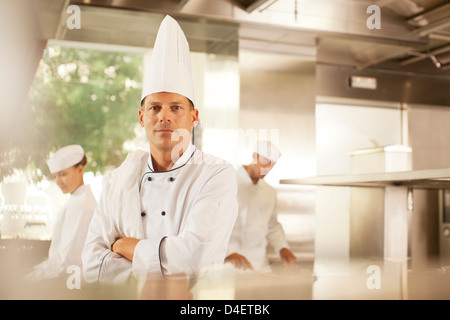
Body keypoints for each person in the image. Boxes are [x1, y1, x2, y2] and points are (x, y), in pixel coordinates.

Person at [82, 15, 238, 284]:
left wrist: (123, 246)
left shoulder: (216, 175)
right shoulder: (116, 181)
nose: (164, 117)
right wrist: (162, 268)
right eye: (154, 107)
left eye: (176, 107)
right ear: (142, 117)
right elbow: (90, 265)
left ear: (193, 116)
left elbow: (193, 260)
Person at [24, 144, 96, 282]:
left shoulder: (81, 206)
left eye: (63, 174)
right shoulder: (77, 199)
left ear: (80, 170)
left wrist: (27, 278)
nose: (58, 182)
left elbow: (64, 265)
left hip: (70, 283)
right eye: (55, 176)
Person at [225, 141, 296, 273]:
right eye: (265, 161)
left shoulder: (269, 192)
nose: (267, 168)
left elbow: (272, 225)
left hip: (259, 264)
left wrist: (282, 247)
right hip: (230, 261)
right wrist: (229, 253)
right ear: (254, 155)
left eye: (272, 165)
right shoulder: (226, 182)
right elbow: (210, 224)